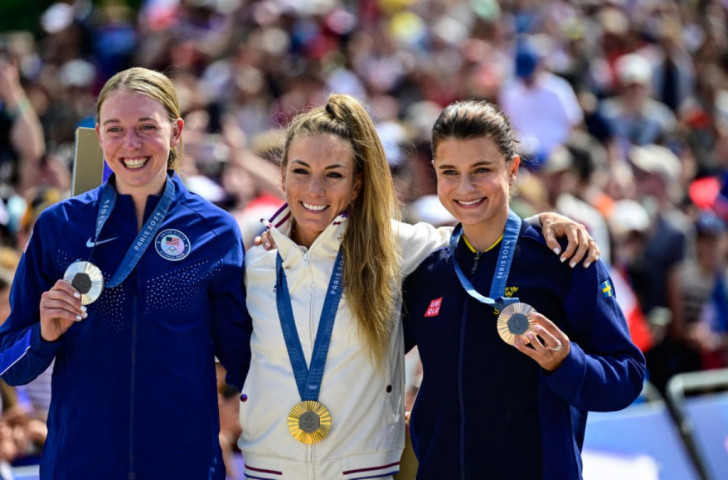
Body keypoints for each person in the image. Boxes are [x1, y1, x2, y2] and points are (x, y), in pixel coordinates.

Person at [241, 93, 599, 479]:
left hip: (366, 470)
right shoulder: (253, 258)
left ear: (357, 183)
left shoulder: (397, 246)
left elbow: (480, 232)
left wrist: (539, 224)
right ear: (281, 175)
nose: (315, 190)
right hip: (270, 469)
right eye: (300, 171)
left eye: (334, 174)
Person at [0, 67, 250, 479]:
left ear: (177, 131)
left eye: (146, 127)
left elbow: (243, 359)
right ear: (98, 136)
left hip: (181, 465)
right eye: (115, 129)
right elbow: (11, 366)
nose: (130, 144)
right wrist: (44, 334)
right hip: (80, 464)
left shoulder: (214, 230)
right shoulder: (59, 226)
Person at [401, 99, 646, 479]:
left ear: (512, 170)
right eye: (450, 171)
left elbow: (626, 377)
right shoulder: (427, 268)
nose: (464, 187)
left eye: (482, 170)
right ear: (434, 172)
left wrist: (566, 364)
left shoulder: (564, 257)